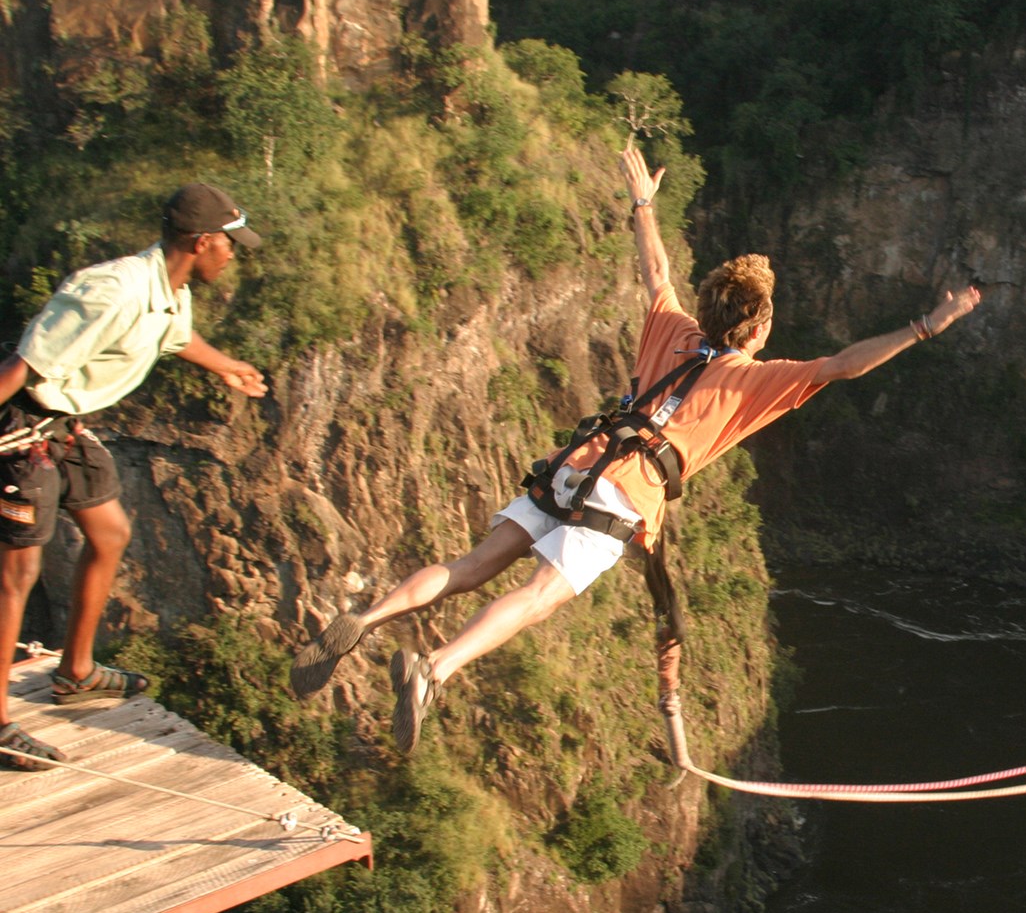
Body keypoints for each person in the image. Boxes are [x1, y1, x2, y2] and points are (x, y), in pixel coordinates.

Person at [290, 142, 981, 753]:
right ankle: (435, 668)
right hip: (623, 497)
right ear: (758, 327)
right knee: (537, 595)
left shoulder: (672, 329)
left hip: (574, 466)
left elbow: (656, 273)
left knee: (473, 564)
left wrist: (643, 205)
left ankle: (368, 615)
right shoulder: (755, 380)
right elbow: (841, 364)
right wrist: (925, 326)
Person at [0, 183, 269, 770]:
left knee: (110, 534)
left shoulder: (169, 289)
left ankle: (76, 673)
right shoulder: (111, 293)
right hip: (24, 427)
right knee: (18, 572)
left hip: (65, 424)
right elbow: (21, 367)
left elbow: (174, 338)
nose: (233, 255)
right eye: (229, 245)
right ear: (201, 242)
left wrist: (228, 367)